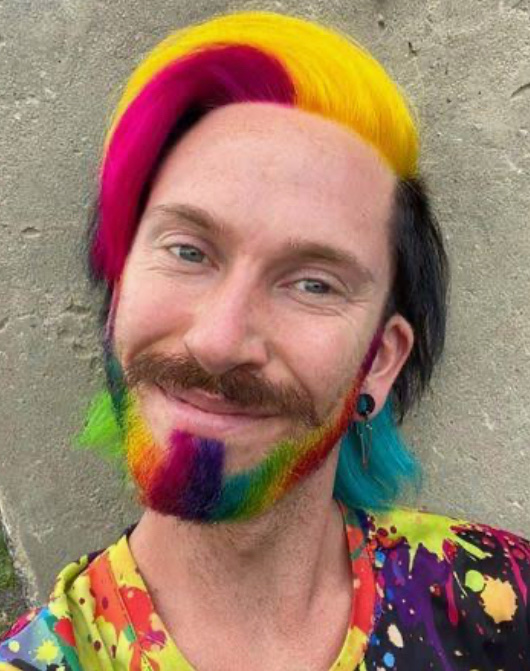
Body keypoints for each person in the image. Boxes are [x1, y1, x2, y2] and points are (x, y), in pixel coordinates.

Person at [1, 9, 528, 671]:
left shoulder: (499, 602)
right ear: (119, 293)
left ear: (380, 360)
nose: (219, 341)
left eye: (313, 284)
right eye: (188, 251)